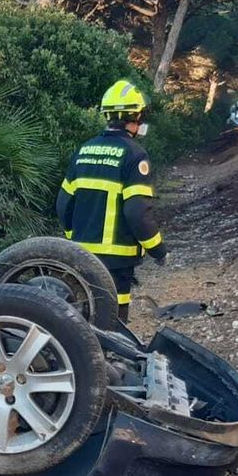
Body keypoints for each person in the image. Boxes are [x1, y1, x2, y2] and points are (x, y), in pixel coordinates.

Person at [57, 79, 167, 322]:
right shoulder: (135, 154)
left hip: (81, 254)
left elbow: (63, 204)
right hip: (116, 260)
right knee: (114, 320)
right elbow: (137, 212)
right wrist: (158, 250)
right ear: (135, 117)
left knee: (81, 315)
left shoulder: (84, 150)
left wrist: (72, 237)